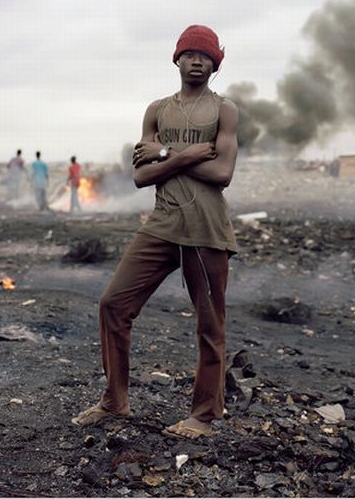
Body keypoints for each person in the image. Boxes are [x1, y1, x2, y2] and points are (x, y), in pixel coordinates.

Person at [73, 25, 238, 440]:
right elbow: (141, 176)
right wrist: (182, 155)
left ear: (215, 63)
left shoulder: (225, 110)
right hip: (162, 226)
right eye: (190, 54)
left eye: (205, 56)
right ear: (177, 59)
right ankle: (114, 400)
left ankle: (203, 416)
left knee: (209, 324)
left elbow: (222, 173)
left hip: (207, 230)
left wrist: (166, 154)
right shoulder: (157, 110)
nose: (197, 61)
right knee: (114, 303)